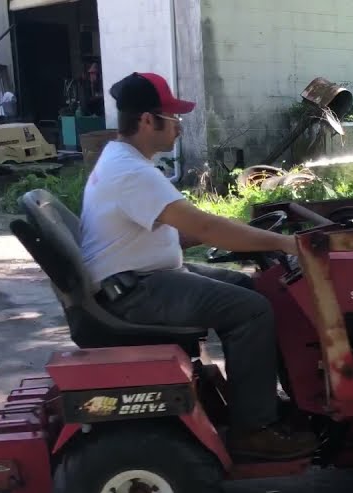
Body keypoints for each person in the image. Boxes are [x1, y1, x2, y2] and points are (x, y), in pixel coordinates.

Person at [79, 71, 317, 461]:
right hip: (135, 291)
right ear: (146, 120)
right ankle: (253, 429)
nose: (177, 126)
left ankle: (270, 404)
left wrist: (239, 235)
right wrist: (288, 244)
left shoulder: (122, 160)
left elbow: (184, 230)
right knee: (253, 312)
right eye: (173, 118)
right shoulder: (132, 173)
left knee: (260, 290)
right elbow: (205, 225)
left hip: (137, 277)